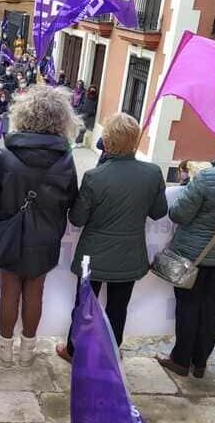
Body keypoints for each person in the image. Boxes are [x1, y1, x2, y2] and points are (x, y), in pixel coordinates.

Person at [56, 113, 168, 362]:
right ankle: (110, 354)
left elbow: (77, 218)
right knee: (118, 308)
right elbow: (159, 211)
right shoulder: (152, 173)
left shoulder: (95, 177)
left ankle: (75, 351)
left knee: (84, 306)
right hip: (129, 256)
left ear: (106, 142)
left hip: (93, 256)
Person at [0, 86, 79, 365]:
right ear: (61, 119)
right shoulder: (66, 159)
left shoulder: (4, 155)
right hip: (46, 235)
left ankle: (5, 349)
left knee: (9, 292)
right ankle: (28, 350)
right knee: (34, 293)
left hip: (10, 233)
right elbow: (72, 200)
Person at [156, 141, 215, 379]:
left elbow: (179, 213)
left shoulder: (206, 178)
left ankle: (181, 360)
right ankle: (200, 362)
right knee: (213, 306)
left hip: (194, 254)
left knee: (188, 305)